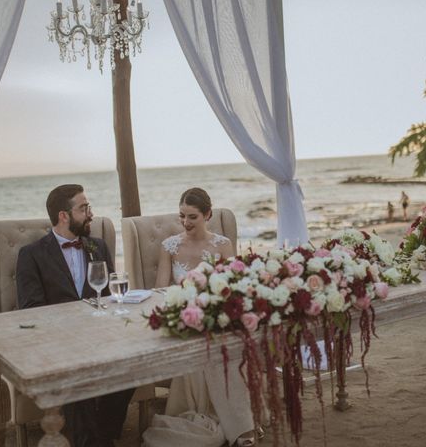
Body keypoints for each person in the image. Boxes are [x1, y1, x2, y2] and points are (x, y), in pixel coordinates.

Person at [16, 184, 134, 447]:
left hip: (100, 338)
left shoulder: (98, 247)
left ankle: (99, 438)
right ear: (63, 216)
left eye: (88, 207)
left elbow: (109, 298)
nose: (90, 213)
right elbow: (31, 309)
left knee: (131, 366)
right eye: (83, 208)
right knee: (77, 373)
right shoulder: (31, 255)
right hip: (58, 343)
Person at [142, 188, 258, 447]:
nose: (185, 222)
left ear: (208, 214)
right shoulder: (169, 246)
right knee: (204, 347)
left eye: (192, 217)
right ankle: (238, 427)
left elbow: (235, 287)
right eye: (181, 216)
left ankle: (238, 425)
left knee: (225, 347)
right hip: (184, 320)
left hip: (216, 318)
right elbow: (160, 291)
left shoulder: (223, 245)